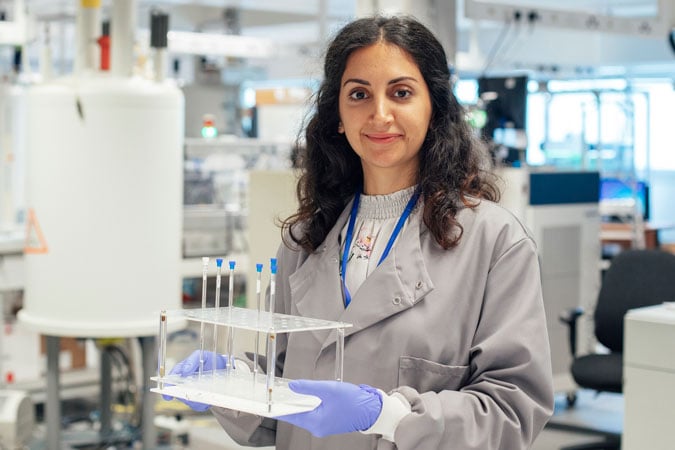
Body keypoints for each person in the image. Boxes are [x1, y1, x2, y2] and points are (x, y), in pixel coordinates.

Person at [166, 14, 553, 450]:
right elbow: (284, 401)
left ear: (435, 107)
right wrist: (231, 385)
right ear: (337, 115)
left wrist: (388, 416)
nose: (379, 114)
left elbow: (514, 409)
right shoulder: (305, 240)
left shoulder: (495, 242)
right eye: (359, 94)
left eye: (401, 93)